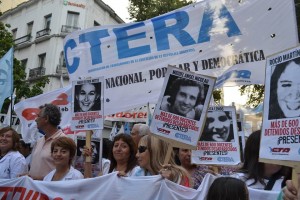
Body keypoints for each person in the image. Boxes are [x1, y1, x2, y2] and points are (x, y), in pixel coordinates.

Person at [29, 104, 66, 180]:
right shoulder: (39, 141)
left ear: (46, 118)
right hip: (33, 190)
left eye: (38, 116)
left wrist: (35, 179)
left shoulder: (64, 141)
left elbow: (65, 174)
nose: (36, 120)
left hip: (49, 190)